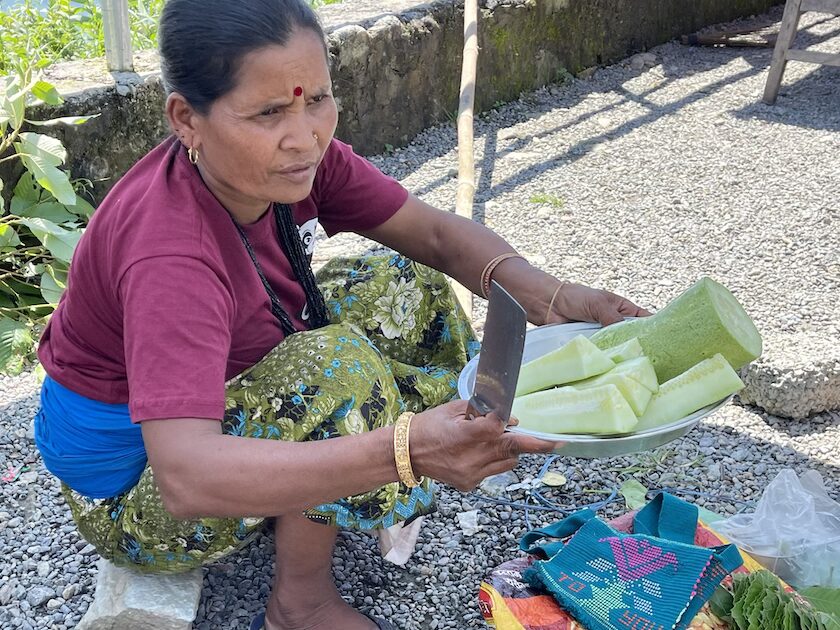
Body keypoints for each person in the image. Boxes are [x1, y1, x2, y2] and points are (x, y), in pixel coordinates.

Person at [33, 1, 650, 628]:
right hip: (133, 489)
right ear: (187, 119)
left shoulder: (285, 161)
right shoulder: (169, 256)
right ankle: (299, 604)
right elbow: (187, 479)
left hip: (209, 394)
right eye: (269, 113)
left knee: (395, 281)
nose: (305, 136)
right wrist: (403, 451)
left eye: (317, 101)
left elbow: (433, 235)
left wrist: (551, 298)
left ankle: (409, 449)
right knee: (333, 371)